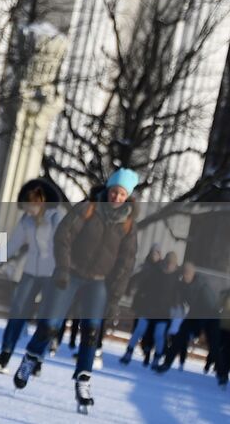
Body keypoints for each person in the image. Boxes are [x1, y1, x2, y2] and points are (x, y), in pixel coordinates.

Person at [12, 168, 140, 413]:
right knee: (50, 325)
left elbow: (126, 264)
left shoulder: (128, 225)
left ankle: (83, 380)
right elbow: (63, 236)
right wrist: (62, 268)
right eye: (114, 191)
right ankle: (31, 358)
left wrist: (114, 300)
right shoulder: (88, 208)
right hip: (70, 274)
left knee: (91, 331)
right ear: (108, 189)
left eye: (122, 194)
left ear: (127, 197)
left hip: (98, 282)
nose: (116, 197)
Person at [0, 179, 65, 367]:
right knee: (18, 309)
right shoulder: (26, 220)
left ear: (39, 202)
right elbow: (13, 244)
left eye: (29, 207)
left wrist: (65, 270)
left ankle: (37, 357)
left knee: (46, 315)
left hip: (52, 273)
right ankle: (6, 352)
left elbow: (65, 245)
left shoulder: (56, 218)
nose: (27, 211)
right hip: (30, 272)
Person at [155, 262, 217, 371]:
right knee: (178, 338)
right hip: (193, 315)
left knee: (213, 343)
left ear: (192, 274)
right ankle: (166, 364)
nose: (184, 277)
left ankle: (216, 365)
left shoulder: (202, 286)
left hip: (208, 317)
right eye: (183, 274)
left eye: (187, 274)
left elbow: (210, 306)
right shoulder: (182, 285)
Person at [119, 244, 166, 366]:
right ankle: (130, 352)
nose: (154, 256)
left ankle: (147, 353)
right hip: (143, 304)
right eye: (152, 253)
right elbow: (135, 278)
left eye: (156, 253)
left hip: (156, 307)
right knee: (138, 329)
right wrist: (129, 289)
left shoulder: (161, 269)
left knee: (150, 333)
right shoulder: (145, 266)